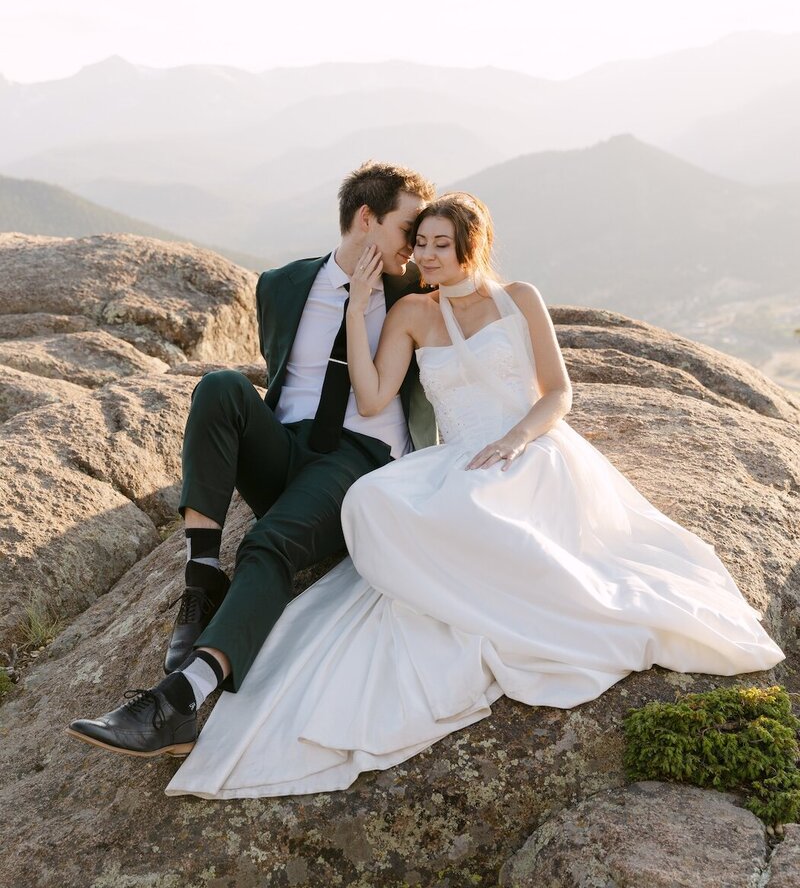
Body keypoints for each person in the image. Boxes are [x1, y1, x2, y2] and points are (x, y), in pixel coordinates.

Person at [163, 192, 784, 798]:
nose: (425, 255)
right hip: (456, 454)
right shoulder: (411, 313)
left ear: (472, 246)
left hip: (528, 447)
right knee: (372, 502)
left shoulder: (519, 299)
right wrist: (355, 311)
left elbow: (558, 393)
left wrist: (517, 440)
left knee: (485, 515)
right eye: (421, 242)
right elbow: (375, 398)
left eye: (440, 244)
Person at [68, 161, 437, 757]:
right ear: (366, 219)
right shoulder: (282, 285)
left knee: (267, 543)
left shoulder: (418, 290)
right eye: (408, 226)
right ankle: (202, 576)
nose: (417, 241)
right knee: (220, 385)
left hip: (358, 460)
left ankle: (179, 701)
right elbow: (280, 373)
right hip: (288, 446)